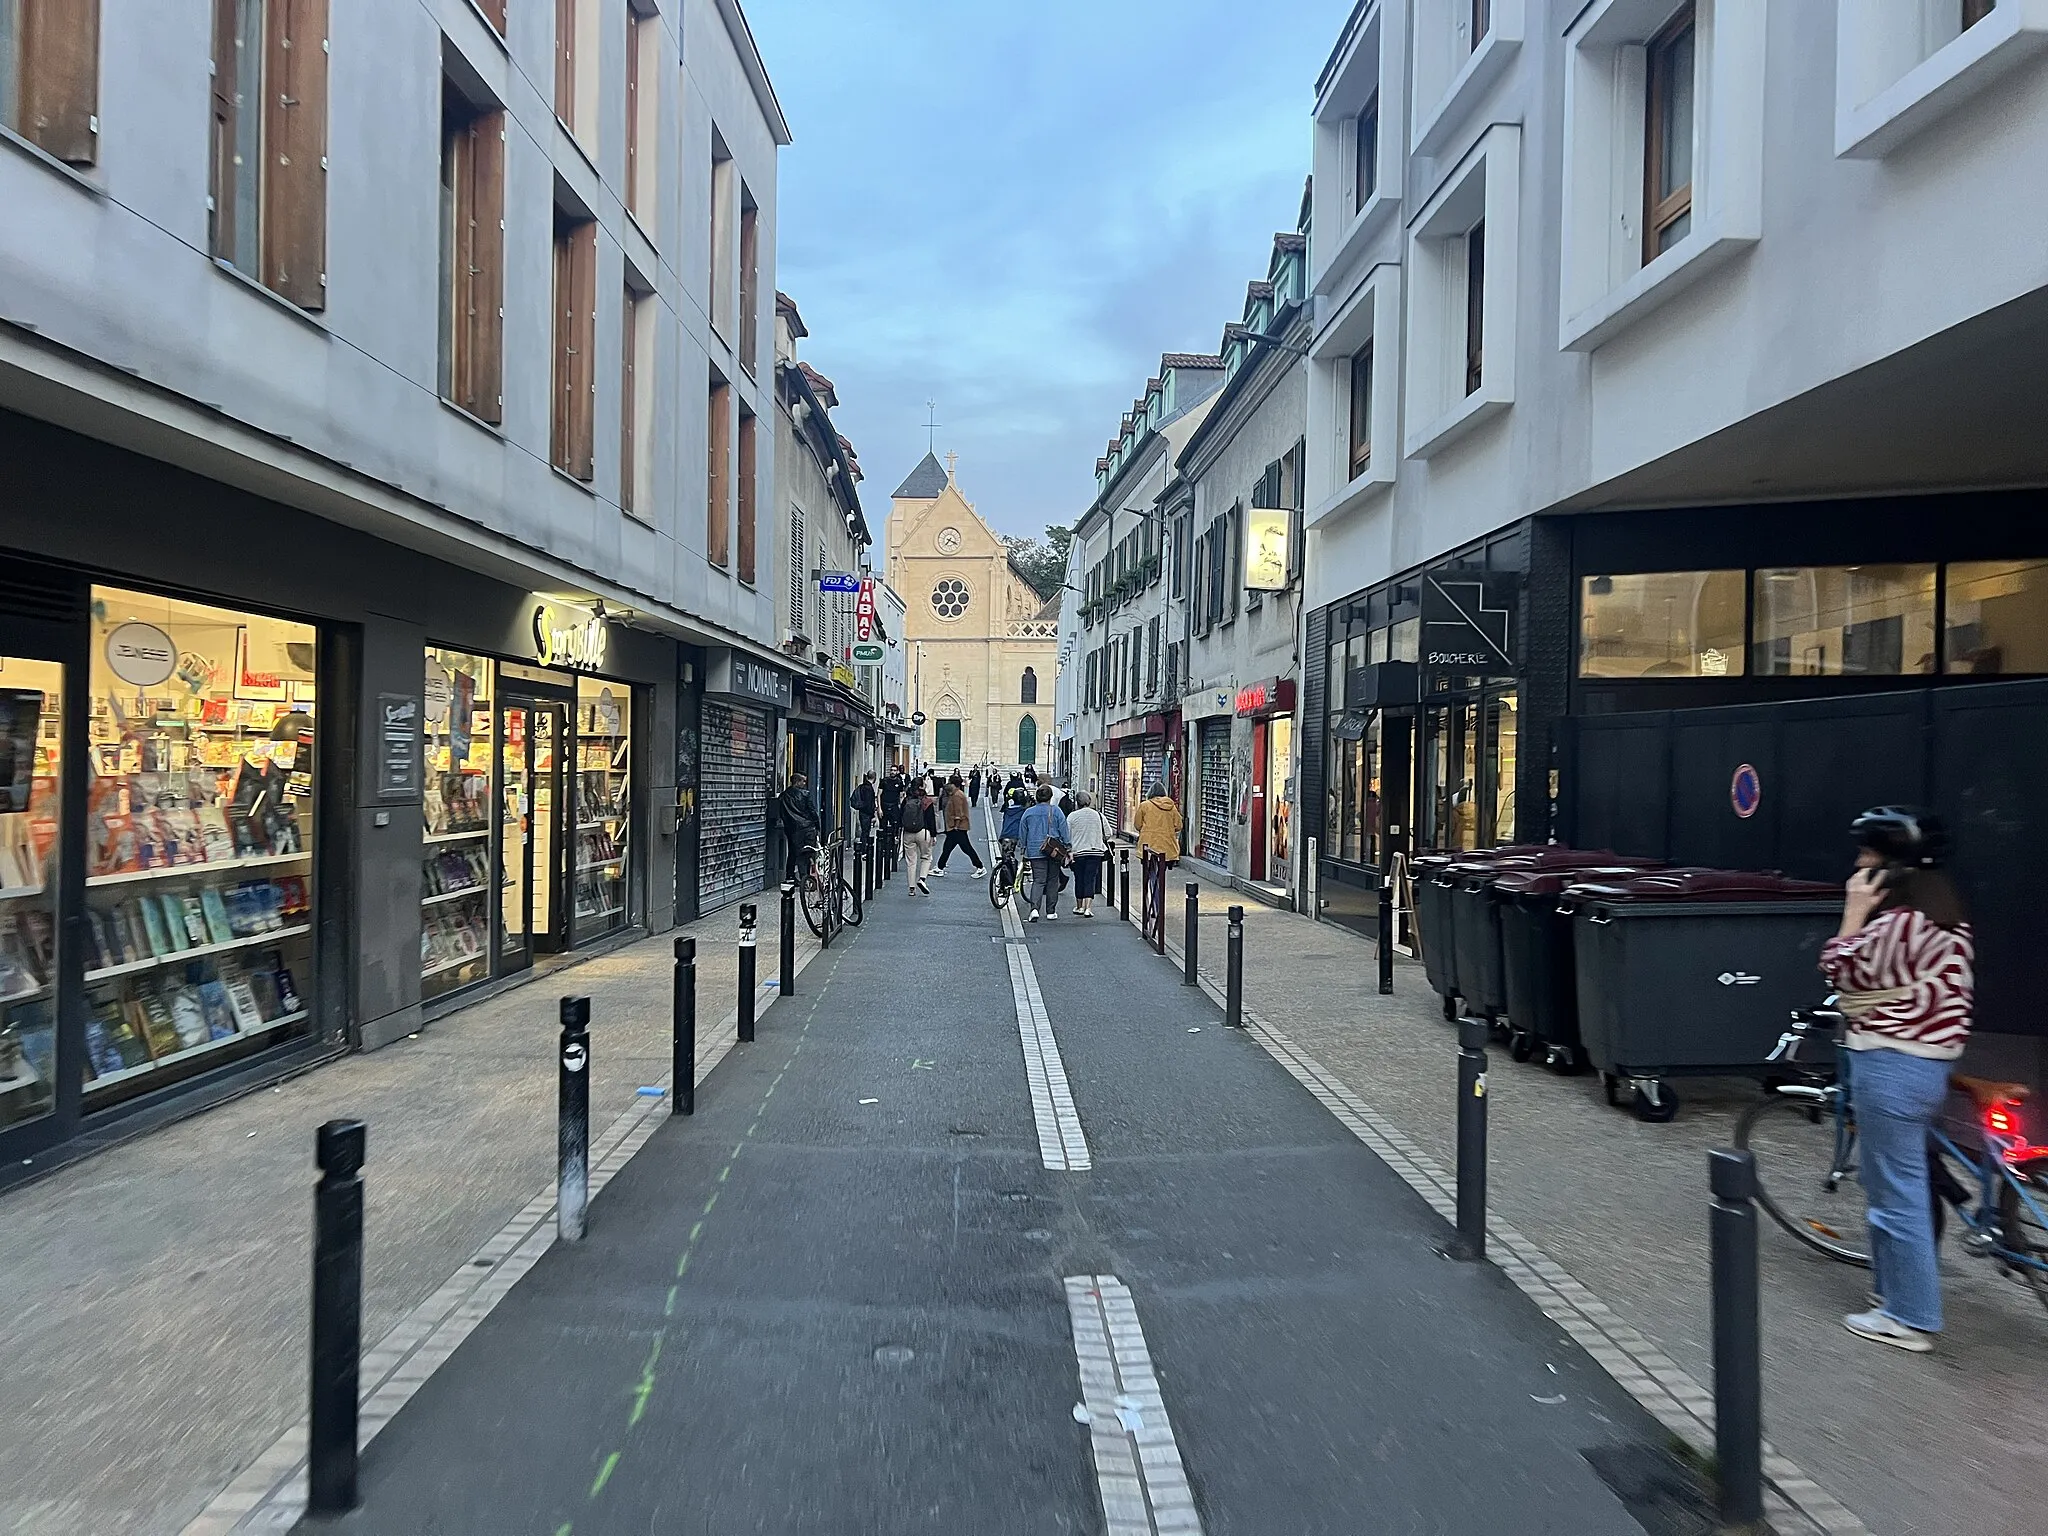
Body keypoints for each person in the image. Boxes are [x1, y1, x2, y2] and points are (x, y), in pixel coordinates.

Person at [1822, 806, 1974, 1354]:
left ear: (1889, 869)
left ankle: (1910, 1317)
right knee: (1903, 1184)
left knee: (1895, 1195)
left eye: (1867, 857)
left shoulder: (1897, 925)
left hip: (1890, 1066)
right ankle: (1894, 1297)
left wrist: (1854, 909)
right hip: (1928, 1065)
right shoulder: (1947, 917)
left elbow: (1838, 965)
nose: (1859, 865)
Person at [1019, 783, 1070, 923]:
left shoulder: (1028, 812)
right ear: (1050, 797)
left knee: (1038, 880)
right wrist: (1068, 846)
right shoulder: (1056, 811)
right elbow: (1064, 830)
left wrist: (1023, 847)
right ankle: (1051, 911)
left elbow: (1023, 832)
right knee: (1053, 880)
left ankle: (1034, 909)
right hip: (1053, 849)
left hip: (1035, 850)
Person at [1066, 790, 1109, 917]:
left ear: (1077, 802)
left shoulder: (1072, 816)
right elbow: (1108, 833)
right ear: (1089, 801)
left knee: (1079, 878)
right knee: (1090, 879)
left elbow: (1067, 835)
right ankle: (1088, 908)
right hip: (1095, 852)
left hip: (1077, 852)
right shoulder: (1098, 815)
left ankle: (1079, 906)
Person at [776, 771, 820, 884]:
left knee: (792, 852)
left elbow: (781, 813)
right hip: (806, 828)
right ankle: (804, 877)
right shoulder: (805, 794)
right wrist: (817, 825)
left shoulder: (783, 795)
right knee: (805, 854)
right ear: (797, 781)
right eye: (803, 781)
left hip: (792, 829)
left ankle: (790, 876)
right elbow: (812, 811)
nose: (805, 783)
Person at [935, 774, 984, 876]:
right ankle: (939, 867)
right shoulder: (956, 794)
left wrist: (956, 825)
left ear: (954, 784)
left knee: (966, 848)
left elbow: (958, 812)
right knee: (948, 847)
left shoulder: (957, 795)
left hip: (958, 827)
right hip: (957, 826)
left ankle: (980, 866)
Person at [897, 776, 937, 896]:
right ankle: (922, 879)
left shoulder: (906, 800)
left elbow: (900, 817)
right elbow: (931, 819)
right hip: (923, 832)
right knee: (926, 857)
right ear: (921, 787)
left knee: (911, 861)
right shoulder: (926, 801)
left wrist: (898, 832)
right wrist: (934, 835)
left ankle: (911, 888)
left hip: (908, 833)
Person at [851, 771, 878, 847]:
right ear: (874, 777)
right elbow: (869, 803)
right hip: (866, 814)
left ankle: (863, 850)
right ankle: (863, 851)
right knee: (865, 833)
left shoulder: (862, 786)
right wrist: (873, 816)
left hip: (862, 812)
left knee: (864, 832)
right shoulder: (869, 788)